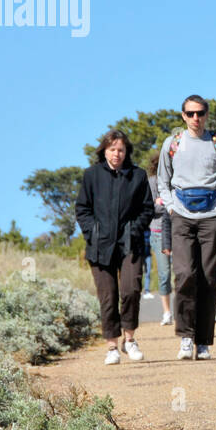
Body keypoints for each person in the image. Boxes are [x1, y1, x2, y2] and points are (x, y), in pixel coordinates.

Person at [157, 94, 216, 360]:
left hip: (211, 214)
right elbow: (163, 179)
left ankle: (203, 341)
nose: (195, 118)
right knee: (185, 274)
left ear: (207, 114)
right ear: (183, 115)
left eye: (200, 113)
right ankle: (186, 337)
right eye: (190, 114)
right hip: (180, 214)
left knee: (208, 276)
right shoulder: (173, 143)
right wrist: (169, 206)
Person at [76, 130, 155, 365]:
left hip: (131, 244)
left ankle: (129, 340)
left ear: (126, 152)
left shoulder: (138, 176)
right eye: (112, 149)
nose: (116, 154)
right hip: (100, 247)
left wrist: (134, 229)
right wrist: (93, 232)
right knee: (108, 296)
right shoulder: (91, 175)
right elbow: (82, 209)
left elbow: (147, 209)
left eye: (120, 149)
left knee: (131, 290)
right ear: (104, 151)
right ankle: (111, 345)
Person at [145, 154, 173, 325]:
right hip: (157, 231)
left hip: (178, 230)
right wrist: (163, 205)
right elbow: (149, 207)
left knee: (183, 271)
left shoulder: (177, 180)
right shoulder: (151, 182)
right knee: (164, 273)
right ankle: (167, 312)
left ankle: (184, 311)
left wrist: (164, 204)